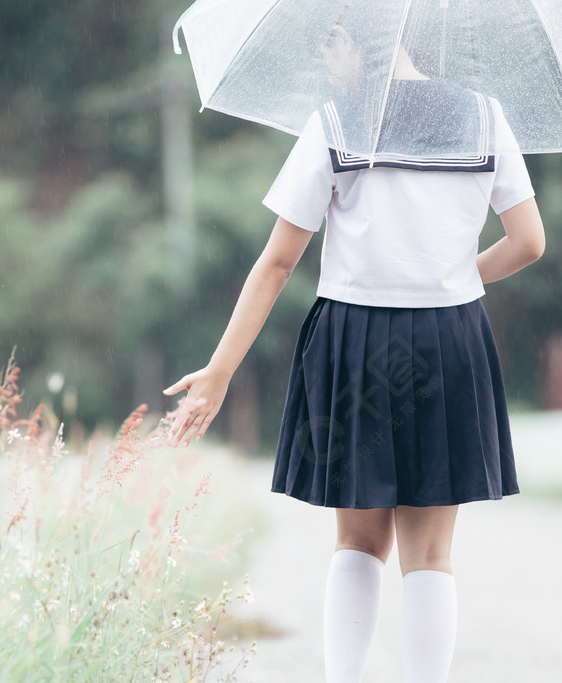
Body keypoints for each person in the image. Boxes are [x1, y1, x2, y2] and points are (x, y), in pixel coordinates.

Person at [162, 22, 546, 683]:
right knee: (430, 552)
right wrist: (451, 274)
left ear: (353, 37)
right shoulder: (487, 118)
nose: (326, 61)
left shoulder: (337, 122)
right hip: (449, 338)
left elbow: (279, 261)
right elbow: (529, 241)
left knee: (358, 540)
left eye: (326, 44)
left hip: (356, 341)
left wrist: (219, 371)